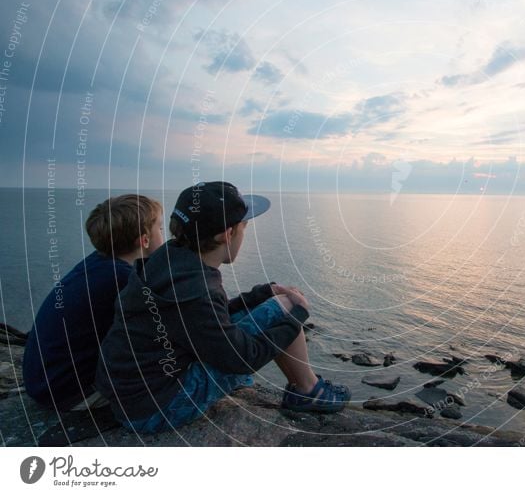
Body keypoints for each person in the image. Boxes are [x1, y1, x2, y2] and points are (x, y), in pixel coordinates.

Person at [95, 181, 350, 434]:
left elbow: (208, 323)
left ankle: (306, 385)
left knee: (278, 304)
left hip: (133, 397)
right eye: (244, 227)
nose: (244, 234)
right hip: (158, 409)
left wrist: (259, 294)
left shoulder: (169, 259)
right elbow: (243, 358)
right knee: (284, 307)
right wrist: (297, 316)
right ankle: (309, 392)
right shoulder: (197, 290)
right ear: (227, 234)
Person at [23, 194, 164, 411]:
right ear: (143, 239)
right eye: (160, 229)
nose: (163, 235)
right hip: (70, 393)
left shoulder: (99, 264)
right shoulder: (122, 280)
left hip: (43, 382)